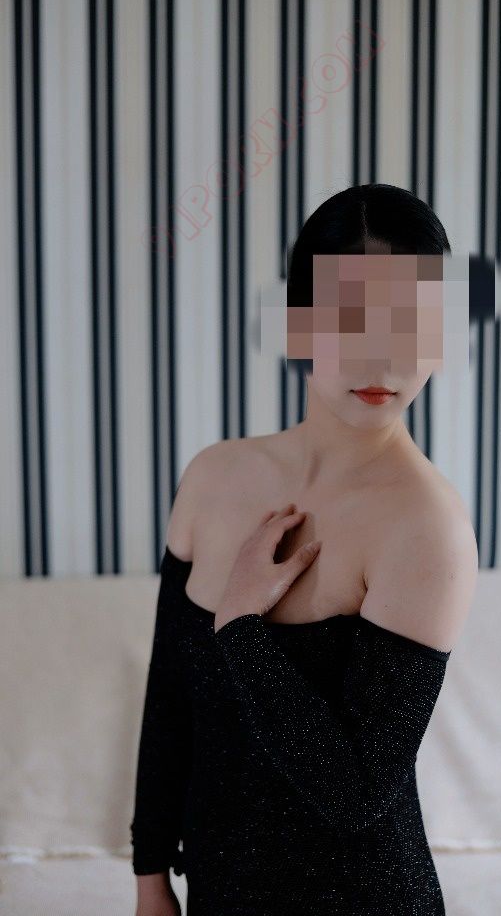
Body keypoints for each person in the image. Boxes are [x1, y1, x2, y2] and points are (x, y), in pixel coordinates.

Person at [130, 183, 478, 915]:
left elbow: (357, 792)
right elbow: (171, 700)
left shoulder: (428, 525)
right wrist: (150, 875)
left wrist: (240, 626)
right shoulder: (213, 477)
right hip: (216, 893)